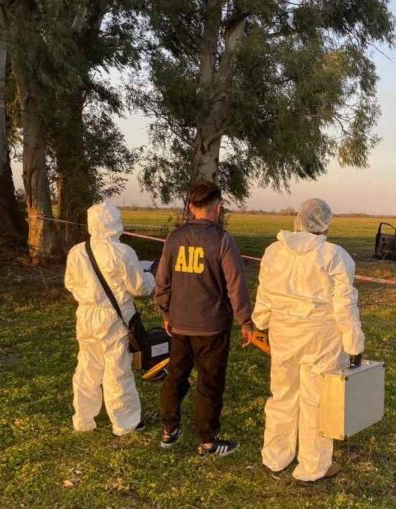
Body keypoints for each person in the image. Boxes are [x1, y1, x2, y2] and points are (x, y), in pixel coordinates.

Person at [252, 198, 365, 482]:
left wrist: (260, 322)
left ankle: (276, 456)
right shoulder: (334, 255)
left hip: (283, 334)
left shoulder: (274, 251)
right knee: (316, 400)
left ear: (298, 219)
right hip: (321, 339)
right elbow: (345, 305)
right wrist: (354, 345)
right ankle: (313, 467)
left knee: (282, 394)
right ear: (324, 224)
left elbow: (264, 291)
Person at [155, 181, 253, 456]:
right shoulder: (222, 240)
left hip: (179, 324)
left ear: (189, 207)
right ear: (218, 208)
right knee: (209, 383)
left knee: (175, 376)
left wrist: (165, 311)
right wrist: (245, 321)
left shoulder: (174, 238)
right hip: (212, 328)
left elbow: (161, 281)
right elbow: (236, 286)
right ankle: (208, 441)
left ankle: (168, 431)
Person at [64, 202, 155, 436]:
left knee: (87, 367)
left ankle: (83, 419)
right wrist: (151, 277)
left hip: (85, 315)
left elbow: (70, 283)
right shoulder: (123, 252)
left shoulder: (77, 251)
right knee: (117, 370)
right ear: (115, 223)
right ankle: (125, 423)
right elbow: (139, 287)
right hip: (114, 317)